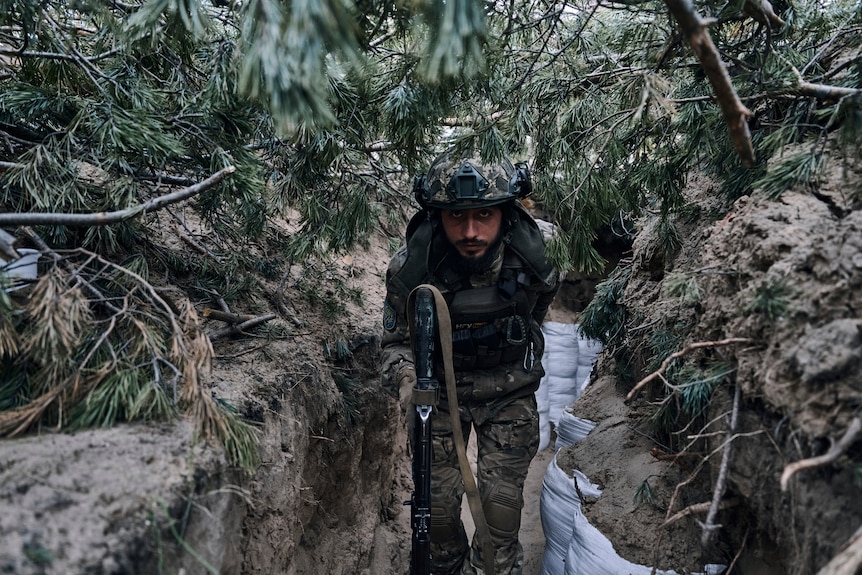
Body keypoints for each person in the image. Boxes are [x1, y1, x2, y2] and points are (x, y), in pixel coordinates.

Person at [380, 149, 560, 574]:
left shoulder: (541, 251)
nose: (471, 231)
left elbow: (543, 300)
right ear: (438, 216)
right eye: (457, 217)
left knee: (499, 515)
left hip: (510, 391)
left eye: (484, 215)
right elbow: (393, 345)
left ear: (507, 212)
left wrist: (520, 335)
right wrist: (410, 382)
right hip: (439, 396)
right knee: (437, 518)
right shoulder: (412, 267)